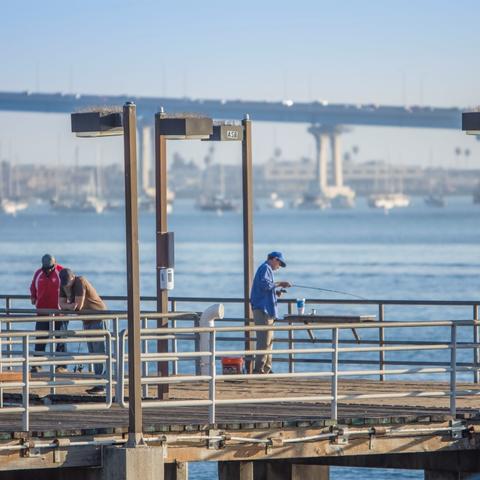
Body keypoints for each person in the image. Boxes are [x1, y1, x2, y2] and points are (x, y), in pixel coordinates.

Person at [58, 268, 107, 394]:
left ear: (73, 277)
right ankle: (99, 383)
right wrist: (69, 306)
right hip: (86, 320)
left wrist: (68, 306)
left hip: (97, 317)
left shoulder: (80, 281)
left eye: (68, 282)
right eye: (64, 283)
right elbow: (61, 304)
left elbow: (78, 306)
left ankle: (103, 383)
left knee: (100, 352)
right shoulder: (63, 285)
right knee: (93, 352)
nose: (66, 285)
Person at [250, 251, 291, 374]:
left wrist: (276, 293)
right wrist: (280, 283)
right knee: (264, 341)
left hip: (268, 310)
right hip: (263, 310)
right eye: (280, 263)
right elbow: (264, 285)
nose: (279, 266)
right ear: (274, 259)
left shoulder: (267, 270)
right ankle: (259, 369)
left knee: (269, 341)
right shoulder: (265, 268)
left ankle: (266, 368)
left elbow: (266, 289)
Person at [29, 254, 67, 373]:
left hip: (59, 312)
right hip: (42, 312)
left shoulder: (62, 272)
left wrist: (68, 304)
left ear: (54, 264)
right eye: (45, 268)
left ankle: (61, 366)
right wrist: (33, 297)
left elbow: (69, 287)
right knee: (40, 337)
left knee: (60, 338)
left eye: (50, 268)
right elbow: (33, 286)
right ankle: (37, 364)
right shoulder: (38, 273)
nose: (47, 270)